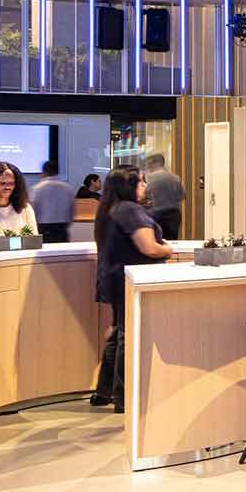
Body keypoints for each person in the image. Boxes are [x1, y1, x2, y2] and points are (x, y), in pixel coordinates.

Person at [90, 166, 184, 410]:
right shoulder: (130, 211)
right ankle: (124, 397)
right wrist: (168, 249)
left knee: (118, 333)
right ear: (128, 186)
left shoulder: (110, 209)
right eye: (141, 182)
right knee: (127, 336)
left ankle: (104, 391)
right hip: (131, 281)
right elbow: (150, 248)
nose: (145, 187)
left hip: (114, 280)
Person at [143, 153, 186, 241]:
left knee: (156, 242)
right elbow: (182, 196)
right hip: (174, 216)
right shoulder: (176, 178)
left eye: (147, 165)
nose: (146, 167)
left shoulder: (148, 178)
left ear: (151, 164)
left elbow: (144, 196)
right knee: (171, 243)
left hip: (154, 216)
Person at [32, 161, 75, 233]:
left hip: (43, 227)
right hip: (62, 228)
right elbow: (72, 210)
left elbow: (33, 209)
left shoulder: (37, 189)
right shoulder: (68, 188)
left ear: (44, 172)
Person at [75, 172, 104, 238]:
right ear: (92, 182)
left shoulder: (97, 196)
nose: (101, 183)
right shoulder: (85, 195)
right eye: (99, 181)